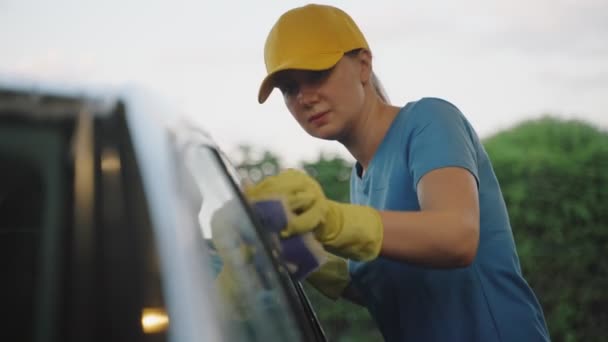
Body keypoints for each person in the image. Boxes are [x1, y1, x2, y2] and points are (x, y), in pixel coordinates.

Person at [246, 3, 551, 342]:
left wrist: (331, 221)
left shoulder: (430, 121)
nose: (304, 97)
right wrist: (302, 256)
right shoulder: (359, 180)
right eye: (289, 87)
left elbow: (456, 236)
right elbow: (400, 293)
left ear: (363, 65)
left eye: (317, 74)